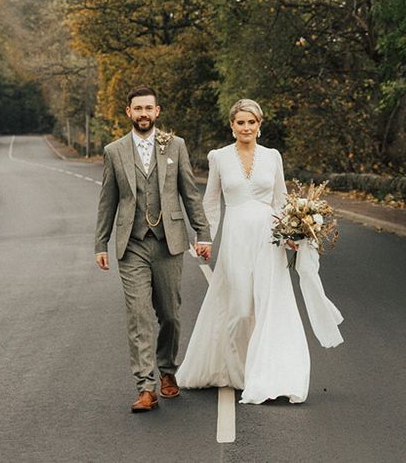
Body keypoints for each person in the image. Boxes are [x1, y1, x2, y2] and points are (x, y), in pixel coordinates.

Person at [176, 99, 343, 404]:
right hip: (236, 238)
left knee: (268, 307)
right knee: (239, 309)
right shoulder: (220, 158)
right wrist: (205, 238)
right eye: (240, 122)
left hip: (269, 240)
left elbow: (280, 198)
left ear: (259, 125)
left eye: (251, 122)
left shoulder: (272, 157)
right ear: (232, 125)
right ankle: (236, 370)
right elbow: (211, 202)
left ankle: (263, 374)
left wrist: (291, 233)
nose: (246, 128)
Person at [94, 86, 212, 413]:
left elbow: (190, 193)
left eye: (149, 108)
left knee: (171, 314)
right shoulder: (114, 151)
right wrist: (100, 243)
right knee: (139, 314)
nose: (143, 113)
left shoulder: (175, 146)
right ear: (128, 112)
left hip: (168, 242)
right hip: (131, 244)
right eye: (138, 109)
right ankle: (145, 386)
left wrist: (202, 233)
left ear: (157, 111)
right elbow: (108, 201)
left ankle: (167, 369)